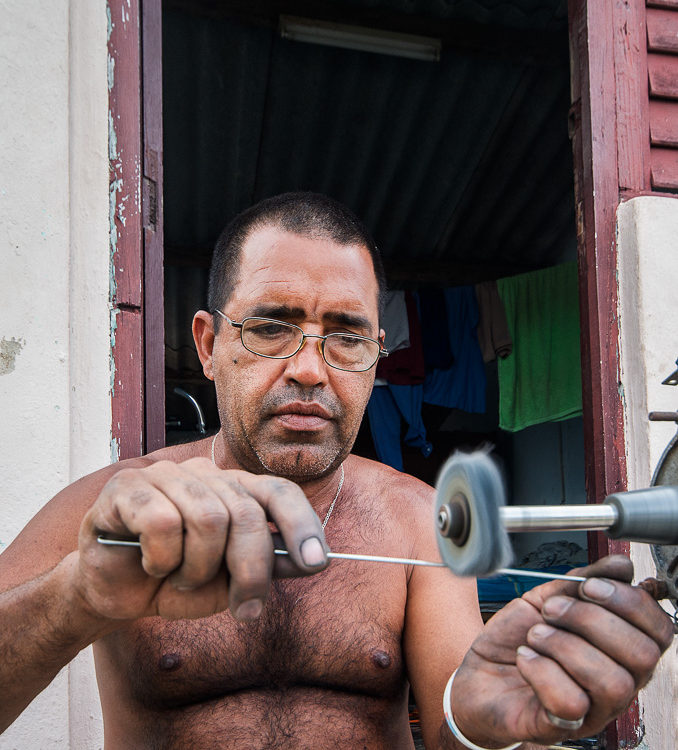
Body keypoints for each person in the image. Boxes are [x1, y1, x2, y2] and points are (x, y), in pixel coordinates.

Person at [0, 192, 673, 749]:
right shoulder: (114, 508)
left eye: (346, 335)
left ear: (378, 355)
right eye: (271, 327)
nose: (310, 369)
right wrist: (77, 597)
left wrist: (484, 726)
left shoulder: (415, 517)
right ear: (208, 345)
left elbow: (456, 725)